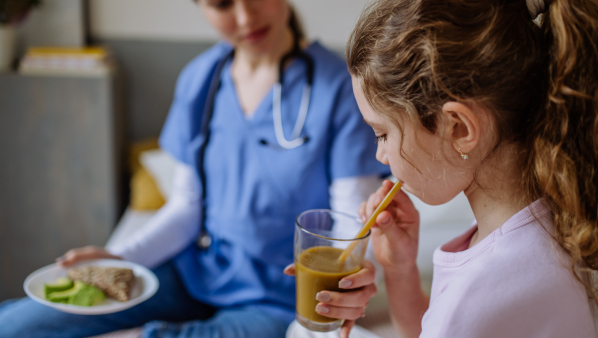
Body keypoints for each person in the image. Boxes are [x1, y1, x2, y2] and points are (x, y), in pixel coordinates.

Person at [0, 1, 389, 337]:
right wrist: (116, 259)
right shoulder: (201, 79)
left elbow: (346, 225)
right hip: (193, 272)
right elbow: (186, 209)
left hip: (277, 298)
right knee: (17, 326)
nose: (245, 16)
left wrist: (341, 284)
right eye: (221, 3)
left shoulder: (339, 87)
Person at [307, 0, 598, 337]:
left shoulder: (481, 291)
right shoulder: (543, 217)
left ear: (459, 128)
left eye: (383, 134)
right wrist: (400, 270)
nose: (381, 156)